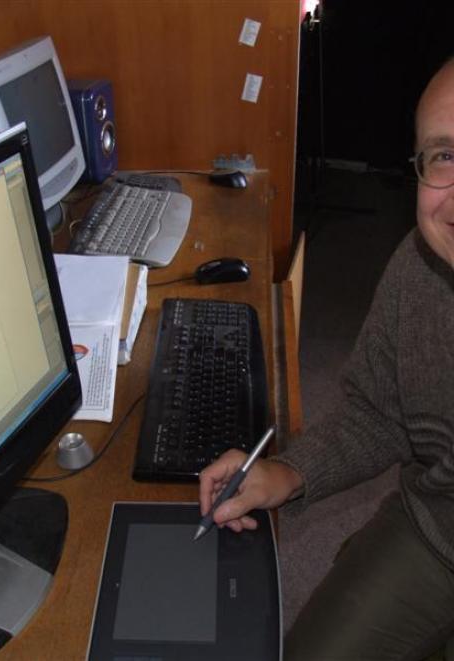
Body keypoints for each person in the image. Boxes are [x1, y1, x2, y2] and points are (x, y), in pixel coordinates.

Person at [198, 57, 454, 661]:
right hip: (438, 527)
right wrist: (284, 473)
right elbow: (380, 411)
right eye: (444, 155)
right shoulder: (419, 269)